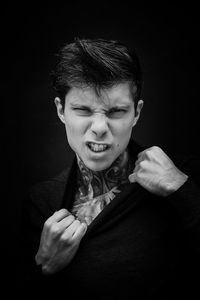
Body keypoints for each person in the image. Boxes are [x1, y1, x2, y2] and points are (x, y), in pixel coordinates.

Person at [20, 38, 200, 299]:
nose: (100, 127)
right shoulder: (41, 202)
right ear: (61, 110)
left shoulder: (186, 176)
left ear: (136, 113)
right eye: (82, 110)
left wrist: (183, 190)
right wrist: (43, 266)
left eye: (116, 111)